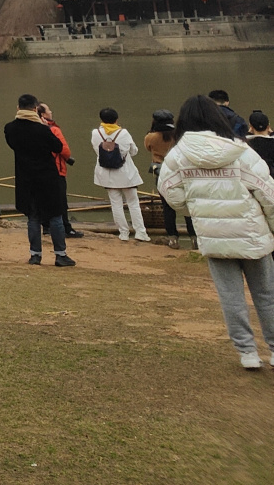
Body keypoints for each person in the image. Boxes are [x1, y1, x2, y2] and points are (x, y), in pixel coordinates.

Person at [158, 94, 274, 369]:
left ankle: (247, 353)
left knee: (231, 297)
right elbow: (267, 193)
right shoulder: (241, 150)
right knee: (267, 294)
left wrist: (196, 210)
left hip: (213, 236)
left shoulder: (177, 156)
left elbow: (169, 193)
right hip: (252, 234)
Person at [5, 93, 74, 267]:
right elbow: (57, 147)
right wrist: (44, 127)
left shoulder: (10, 128)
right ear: (35, 109)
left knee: (33, 218)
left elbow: (13, 145)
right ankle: (60, 254)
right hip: (47, 177)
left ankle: (35, 255)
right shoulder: (43, 130)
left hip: (25, 178)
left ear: (18, 108)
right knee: (55, 216)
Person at [91, 106, 149, 243]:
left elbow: (96, 150)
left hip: (106, 173)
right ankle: (140, 232)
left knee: (115, 203)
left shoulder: (95, 133)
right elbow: (134, 151)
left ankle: (123, 233)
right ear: (116, 119)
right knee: (133, 202)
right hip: (125, 173)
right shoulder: (123, 133)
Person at [146, 110, 196, 243]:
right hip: (181, 172)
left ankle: (173, 238)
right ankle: (194, 237)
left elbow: (148, 147)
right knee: (187, 205)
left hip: (162, 173)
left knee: (167, 207)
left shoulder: (151, 137)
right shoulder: (180, 135)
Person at [37, 103, 80, 238]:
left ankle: (46, 226)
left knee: (43, 198)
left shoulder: (33, 129)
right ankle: (66, 228)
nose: (51, 111)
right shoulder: (54, 130)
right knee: (60, 200)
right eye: (48, 110)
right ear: (43, 115)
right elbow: (64, 149)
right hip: (56, 169)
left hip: (39, 169)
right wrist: (67, 158)